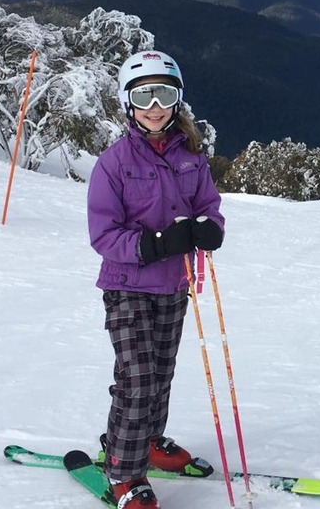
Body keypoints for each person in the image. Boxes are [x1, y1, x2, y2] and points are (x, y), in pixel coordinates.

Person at [86, 50, 225, 509]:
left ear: (177, 99)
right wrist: (153, 245)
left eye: (163, 94)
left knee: (160, 374)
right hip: (127, 285)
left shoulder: (191, 157)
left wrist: (210, 228)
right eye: (143, 95)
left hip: (174, 285)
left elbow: (209, 206)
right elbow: (103, 235)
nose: (154, 105)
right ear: (128, 102)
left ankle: (146, 440)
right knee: (138, 378)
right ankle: (124, 473)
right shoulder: (114, 162)